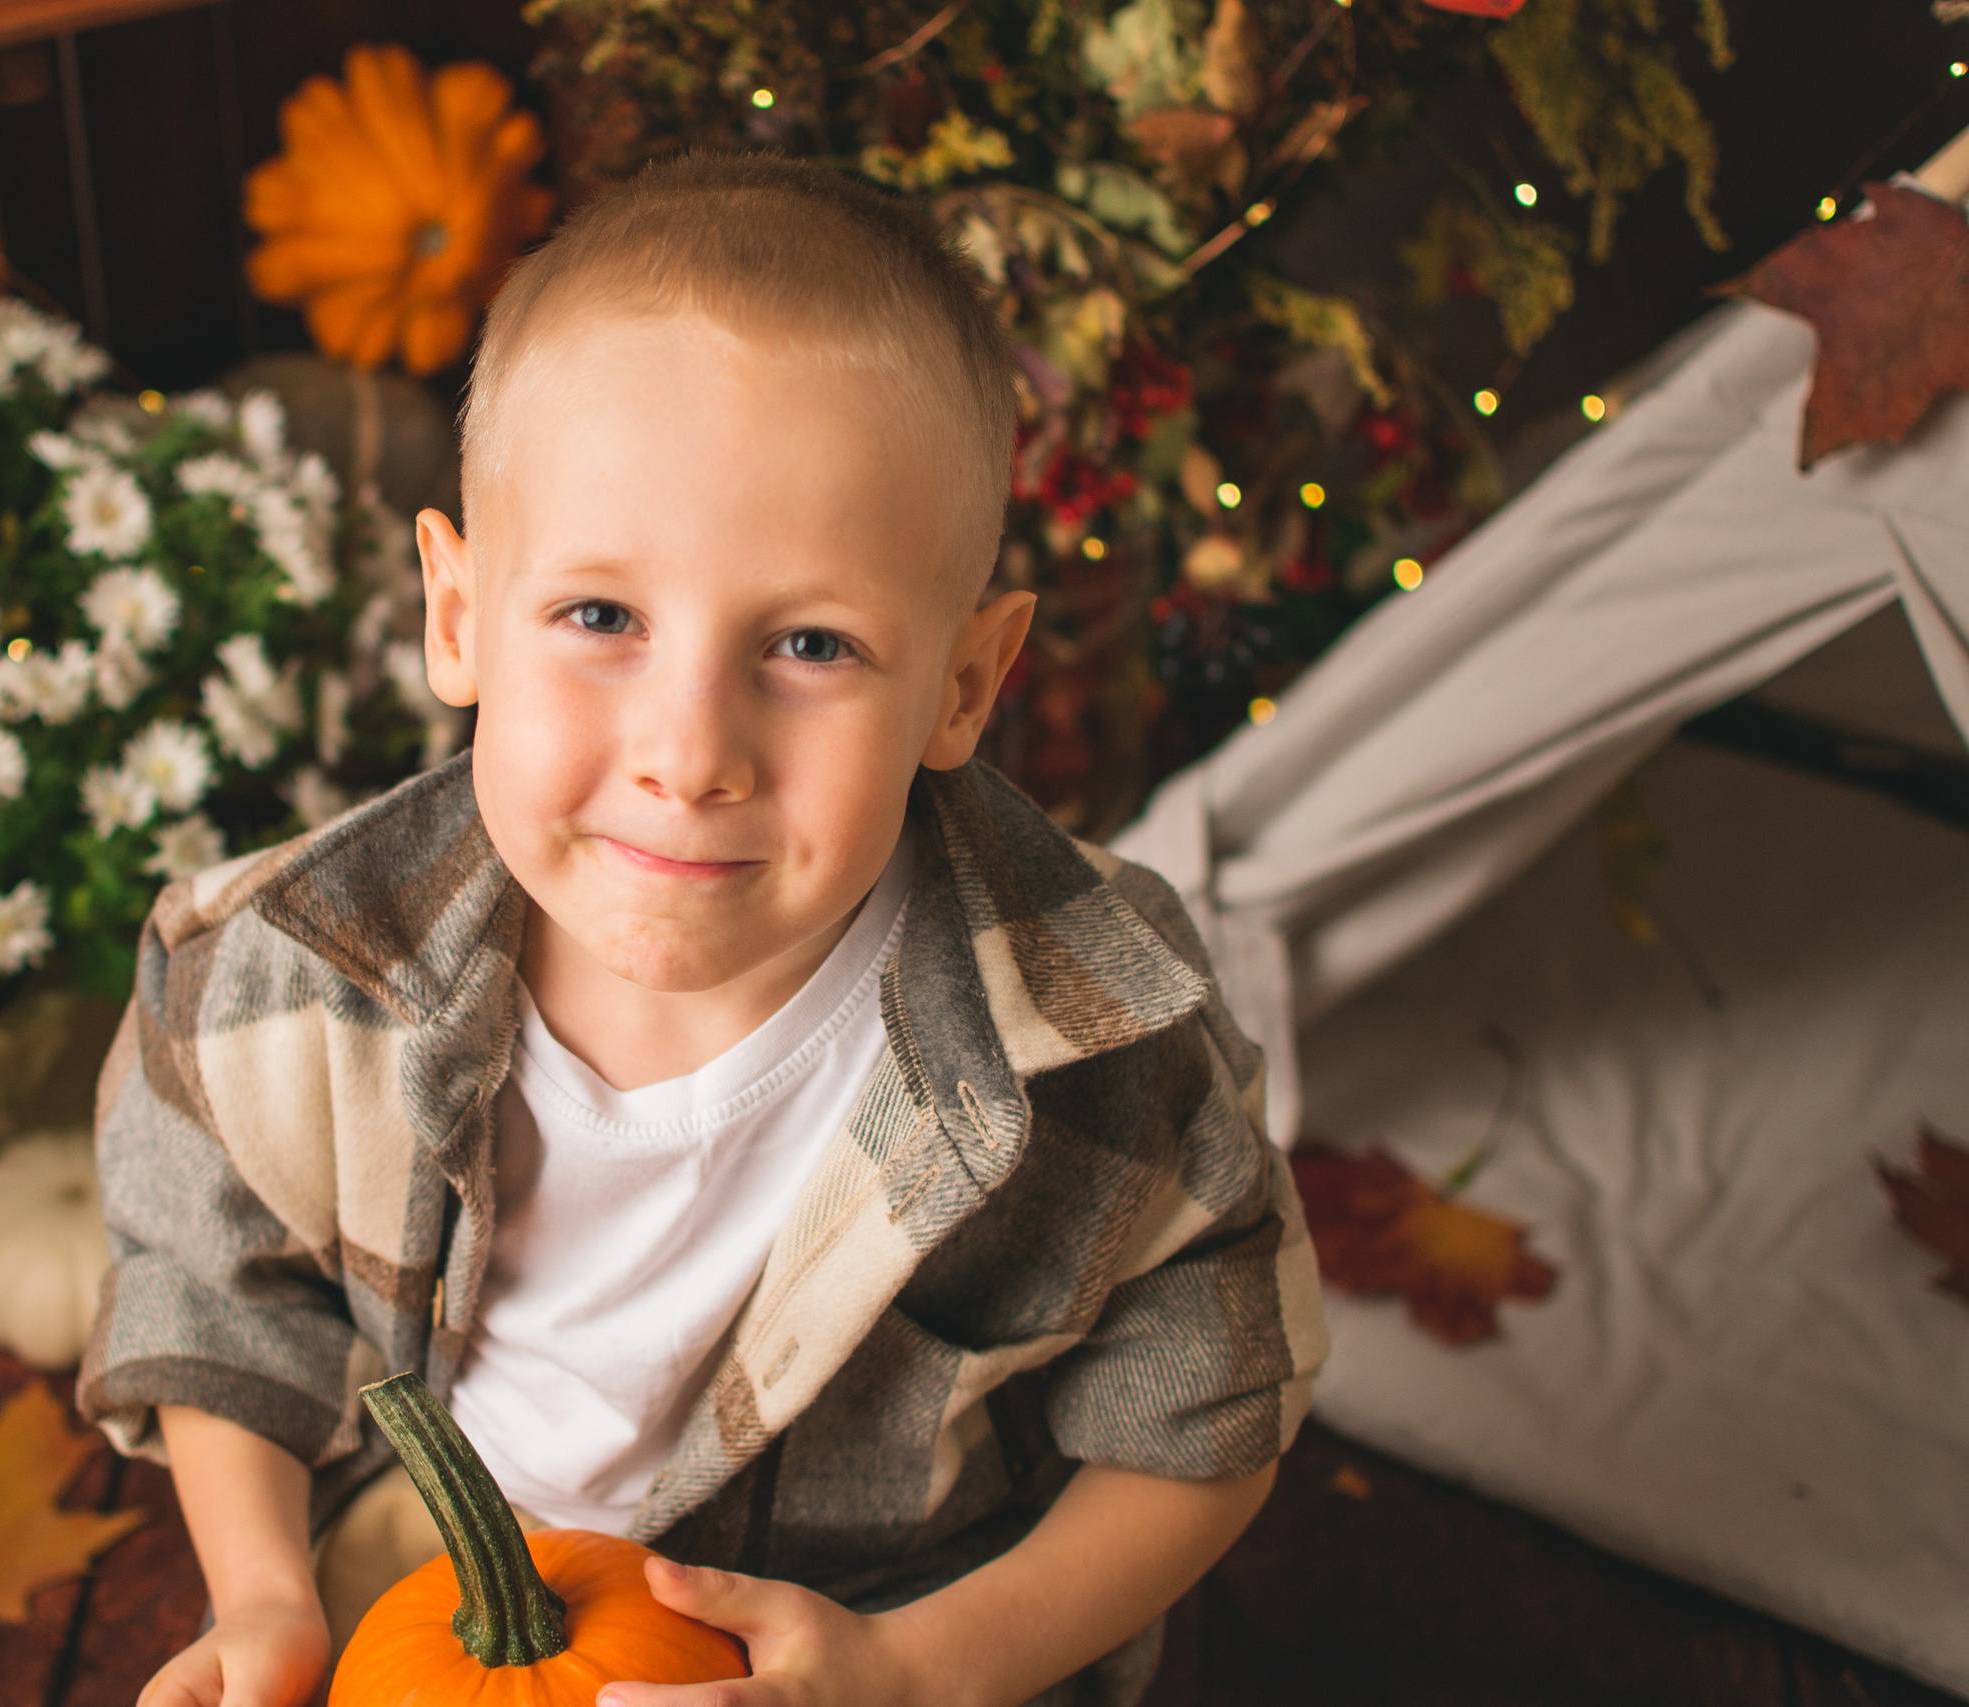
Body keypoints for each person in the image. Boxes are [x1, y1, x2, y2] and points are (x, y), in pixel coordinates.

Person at [79, 151, 1326, 1707]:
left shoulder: (1094, 1038)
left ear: (963, 682)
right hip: (456, 1586)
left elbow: (1208, 1421)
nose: (689, 752)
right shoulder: (293, 972)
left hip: (897, 1624)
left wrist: (919, 1674)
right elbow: (213, 1290)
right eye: (600, 619)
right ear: (458, 618)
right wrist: (264, 1600)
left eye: (810, 643)